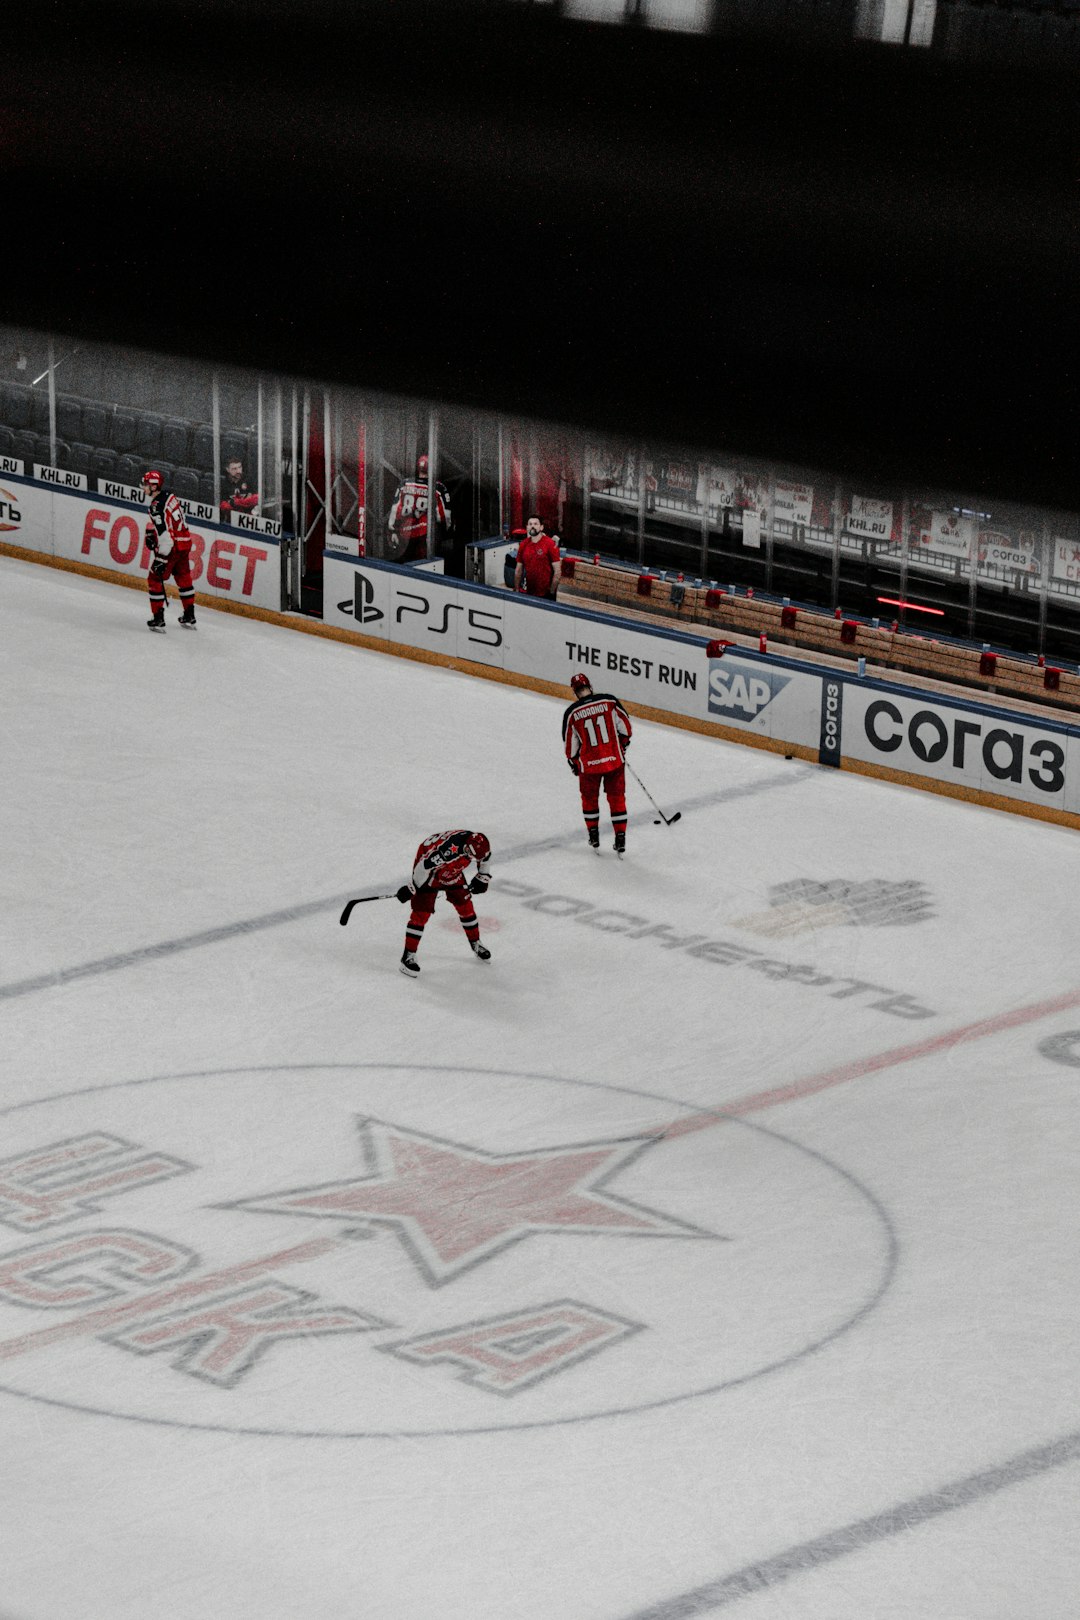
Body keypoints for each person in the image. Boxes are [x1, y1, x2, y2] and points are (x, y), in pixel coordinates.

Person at [396, 829, 492, 977]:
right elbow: (424, 866)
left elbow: (485, 858)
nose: (471, 858)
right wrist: (413, 887)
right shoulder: (448, 850)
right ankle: (408, 956)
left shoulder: (479, 847)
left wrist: (483, 876)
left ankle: (476, 943)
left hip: (452, 870)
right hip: (429, 869)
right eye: (470, 854)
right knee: (421, 912)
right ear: (466, 846)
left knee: (465, 906)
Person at [562, 673, 632, 855]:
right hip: (614, 762)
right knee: (617, 798)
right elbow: (626, 729)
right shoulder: (609, 701)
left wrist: (575, 763)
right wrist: (622, 745)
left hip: (589, 767)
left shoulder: (572, 713)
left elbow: (570, 750)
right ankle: (621, 836)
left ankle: (593, 834)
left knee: (589, 799)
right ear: (590, 686)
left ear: (575, 692)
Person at [143, 468, 197, 630]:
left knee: (154, 579)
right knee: (183, 576)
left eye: (146, 485)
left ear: (154, 487)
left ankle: (158, 617)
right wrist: (153, 533)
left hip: (172, 547)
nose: (143, 487)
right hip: (185, 541)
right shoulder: (170, 496)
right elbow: (173, 521)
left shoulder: (155, 507)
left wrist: (160, 559)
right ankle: (189, 614)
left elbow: (167, 537)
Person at [386, 453, 452, 565]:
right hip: (425, 533)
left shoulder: (405, 483)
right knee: (424, 566)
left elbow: (395, 509)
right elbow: (444, 516)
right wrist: (447, 533)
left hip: (405, 533)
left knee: (406, 565)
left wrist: (392, 529)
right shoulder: (438, 487)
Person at [513, 514, 561, 599]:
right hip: (528, 592)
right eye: (530, 524)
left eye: (535, 524)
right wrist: (516, 590)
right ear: (527, 527)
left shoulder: (550, 544)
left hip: (546, 594)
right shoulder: (523, 544)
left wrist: (551, 592)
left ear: (541, 527)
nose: (532, 526)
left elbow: (557, 571)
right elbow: (518, 570)